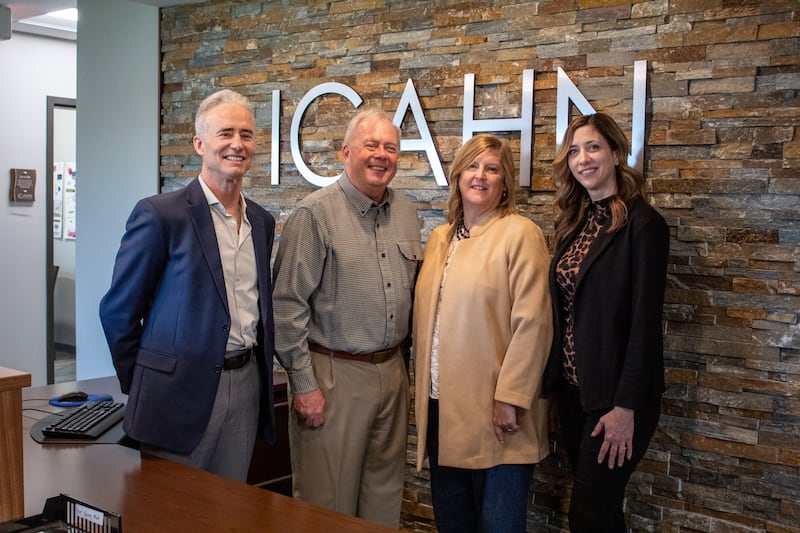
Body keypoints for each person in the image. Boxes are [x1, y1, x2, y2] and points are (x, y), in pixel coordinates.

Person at [99, 89, 277, 482]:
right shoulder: (161, 215)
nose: (237, 144)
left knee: (229, 511)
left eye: (246, 135)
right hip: (176, 393)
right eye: (225, 133)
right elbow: (118, 312)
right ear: (199, 143)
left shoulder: (262, 223)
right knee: (171, 512)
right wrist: (148, 381)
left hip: (245, 386)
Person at [272, 107, 422, 528]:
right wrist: (304, 386)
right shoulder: (314, 215)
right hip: (332, 377)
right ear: (346, 152)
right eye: (370, 145)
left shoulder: (407, 213)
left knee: (384, 498)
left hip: (391, 374)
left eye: (389, 147)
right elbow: (286, 306)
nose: (381, 155)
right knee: (327, 507)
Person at [412, 134, 553, 533]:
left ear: (505, 182)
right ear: (457, 176)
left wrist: (510, 398)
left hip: (498, 417)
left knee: (498, 527)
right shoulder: (441, 238)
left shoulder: (520, 234)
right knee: (453, 524)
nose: (480, 176)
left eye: (491, 169)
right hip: (442, 409)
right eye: (472, 166)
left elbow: (534, 324)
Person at [544, 112, 669, 532]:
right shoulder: (573, 224)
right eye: (575, 151)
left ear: (616, 154)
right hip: (574, 395)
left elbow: (645, 325)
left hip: (614, 402)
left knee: (589, 513)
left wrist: (624, 407)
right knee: (600, 511)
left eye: (594, 147)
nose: (583, 159)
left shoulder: (644, 225)